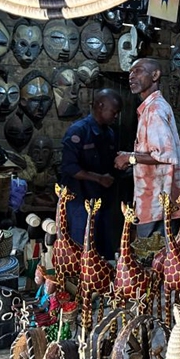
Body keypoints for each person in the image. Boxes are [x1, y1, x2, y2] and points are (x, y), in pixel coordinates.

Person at [114, 58, 180, 237]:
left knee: (153, 257)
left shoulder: (155, 110)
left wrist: (129, 158)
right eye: (130, 72)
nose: (131, 76)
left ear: (155, 75)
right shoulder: (151, 108)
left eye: (138, 71)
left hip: (158, 204)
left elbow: (164, 155)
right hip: (156, 201)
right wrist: (130, 154)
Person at [59, 88, 122, 259]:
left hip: (102, 201)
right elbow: (69, 167)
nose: (115, 116)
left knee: (103, 249)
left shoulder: (109, 133)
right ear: (100, 106)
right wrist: (98, 178)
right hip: (80, 200)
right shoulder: (78, 131)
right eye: (114, 112)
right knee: (82, 249)